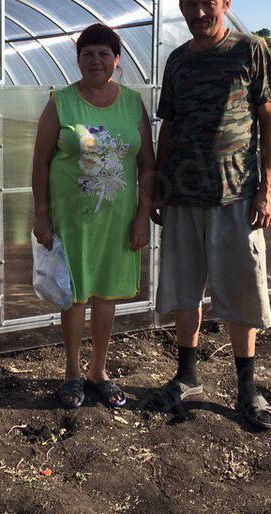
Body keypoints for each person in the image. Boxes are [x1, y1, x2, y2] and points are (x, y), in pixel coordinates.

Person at [151, 0, 271, 430]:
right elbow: (168, 127)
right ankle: (187, 376)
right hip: (184, 198)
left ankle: (247, 390)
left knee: (241, 293)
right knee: (185, 291)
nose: (199, 12)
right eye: (190, 5)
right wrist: (157, 186)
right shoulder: (178, 61)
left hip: (237, 197)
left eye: (207, 3)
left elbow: (270, 124)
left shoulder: (250, 50)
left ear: (226, 3)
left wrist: (267, 190)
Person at [32, 23, 155, 409]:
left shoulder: (133, 103)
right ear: (79, 60)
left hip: (117, 223)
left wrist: (142, 217)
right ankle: (71, 373)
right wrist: (42, 215)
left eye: (104, 54)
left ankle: (98, 371)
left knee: (106, 295)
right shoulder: (61, 102)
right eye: (88, 54)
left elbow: (147, 164)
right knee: (74, 295)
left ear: (117, 61)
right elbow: (40, 161)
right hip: (73, 222)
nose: (96, 60)